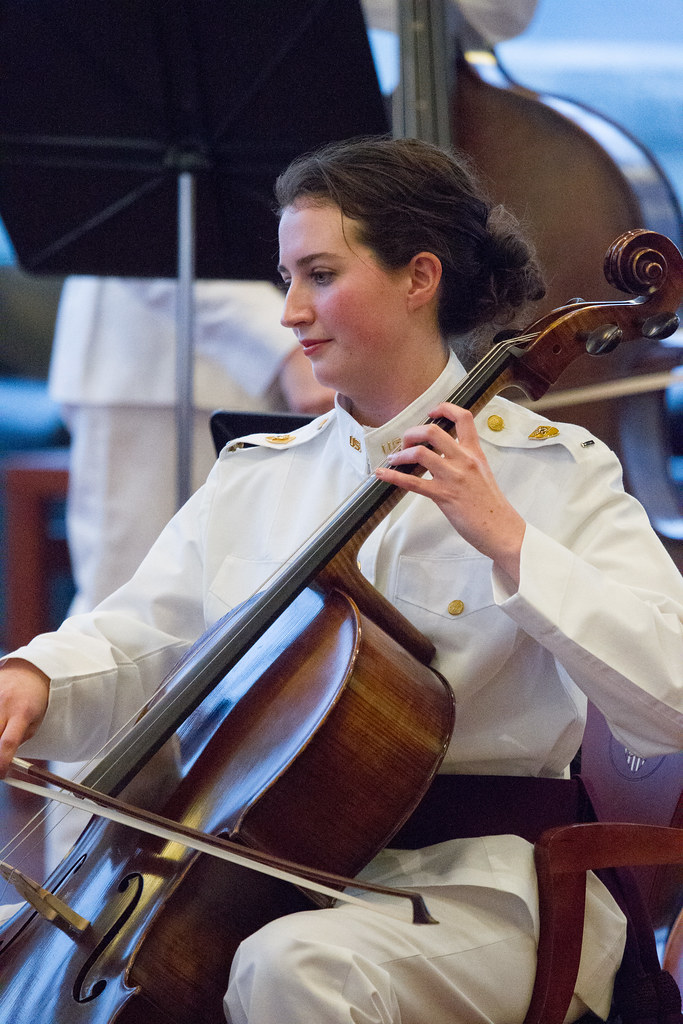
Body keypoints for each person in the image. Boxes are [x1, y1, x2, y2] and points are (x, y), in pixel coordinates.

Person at [0, 136, 681, 1024]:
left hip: (484, 891)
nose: (288, 311)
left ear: (417, 278)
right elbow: (139, 639)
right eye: (285, 277)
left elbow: (668, 697)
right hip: (268, 879)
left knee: (298, 969)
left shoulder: (552, 470)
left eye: (317, 275)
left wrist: (508, 540)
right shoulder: (259, 472)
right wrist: (32, 680)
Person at [49, 277, 334, 614]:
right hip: (154, 379)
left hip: (258, 386)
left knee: (244, 600)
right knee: (129, 608)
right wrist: (286, 350)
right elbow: (154, 245)